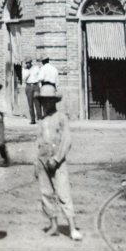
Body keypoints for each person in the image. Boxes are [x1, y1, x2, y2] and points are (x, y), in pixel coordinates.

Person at [34, 84, 83, 241]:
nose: (46, 104)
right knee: (46, 193)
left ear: (54, 102)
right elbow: (38, 142)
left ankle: (72, 227)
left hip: (57, 160)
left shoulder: (61, 118)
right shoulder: (41, 120)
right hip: (43, 160)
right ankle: (54, 225)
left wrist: (56, 159)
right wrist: (36, 163)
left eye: (49, 101)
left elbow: (67, 139)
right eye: (43, 101)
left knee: (63, 192)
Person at [23, 58, 42, 123]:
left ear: (31, 63)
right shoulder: (24, 70)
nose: (27, 64)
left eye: (28, 63)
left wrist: (40, 86)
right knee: (30, 103)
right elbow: (24, 78)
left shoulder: (36, 68)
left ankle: (39, 118)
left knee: (37, 103)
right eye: (26, 63)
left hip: (36, 85)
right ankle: (32, 119)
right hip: (28, 86)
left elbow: (40, 76)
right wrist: (27, 71)